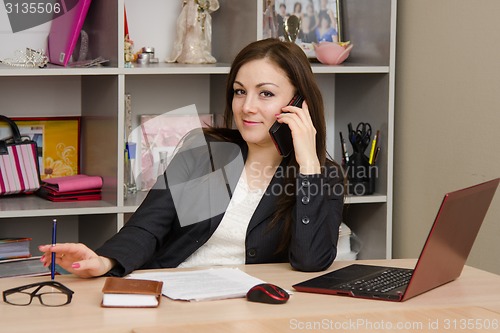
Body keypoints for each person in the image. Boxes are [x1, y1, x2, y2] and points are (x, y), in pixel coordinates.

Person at [39, 38, 344, 278]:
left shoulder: (321, 176)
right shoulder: (205, 152)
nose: (247, 107)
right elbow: (147, 227)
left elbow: (310, 260)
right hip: (177, 295)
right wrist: (104, 260)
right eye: (240, 92)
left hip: (254, 311)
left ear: (298, 103)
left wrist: (308, 166)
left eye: (265, 94)